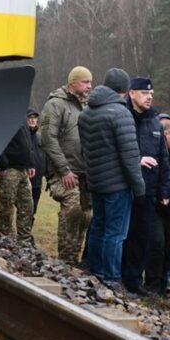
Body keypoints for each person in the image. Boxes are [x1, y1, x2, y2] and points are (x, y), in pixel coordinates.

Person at [78, 68, 145, 292]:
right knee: (115, 233)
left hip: (96, 181)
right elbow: (129, 155)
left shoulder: (86, 113)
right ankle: (111, 278)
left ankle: (95, 270)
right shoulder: (120, 113)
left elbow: (85, 150)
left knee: (98, 226)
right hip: (118, 183)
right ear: (124, 90)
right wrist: (139, 187)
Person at [120, 77, 170, 296]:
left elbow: (163, 158)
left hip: (148, 191)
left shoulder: (154, 122)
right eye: (144, 93)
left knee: (142, 236)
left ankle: (134, 280)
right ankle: (115, 276)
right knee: (122, 234)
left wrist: (164, 188)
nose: (149, 97)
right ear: (132, 93)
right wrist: (136, 160)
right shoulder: (122, 116)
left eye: (151, 94)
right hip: (124, 187)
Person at [40, 66, 93, 265]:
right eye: (85, 82)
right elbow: (48, 139)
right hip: (64, 172)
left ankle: (74, 260)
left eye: (90, 82)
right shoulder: (55, 104)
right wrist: (64, 169)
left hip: (85, 173)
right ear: (73, 83)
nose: (89, 86)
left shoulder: (87, 106)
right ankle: (65, 261)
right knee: (72, 212)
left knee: (85, 217)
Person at [146, 119, 170, 295]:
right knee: (157, 245)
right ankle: (152, 283)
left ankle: (164, 282)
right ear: (165, 135)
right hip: (156, 209)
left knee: (168, 246)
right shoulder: (154, 154)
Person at [0, 115, 36, 243]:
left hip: (23, 169)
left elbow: (28, 141)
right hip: (8, 168)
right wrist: (1, 164)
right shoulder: (2, 114)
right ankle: (6, 238)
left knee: (27, 205)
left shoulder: (21, 114)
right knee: (6, 205)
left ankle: (24, 239)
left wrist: (31, 163)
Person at [27, 107, 47, 216]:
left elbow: (46, 157)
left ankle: (28, 229)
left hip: (37, 180)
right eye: (30, 117)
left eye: (35, 118)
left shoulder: (40, 138)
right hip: (22, 177)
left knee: (33, 207)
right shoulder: (20, 136)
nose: (32, 120)